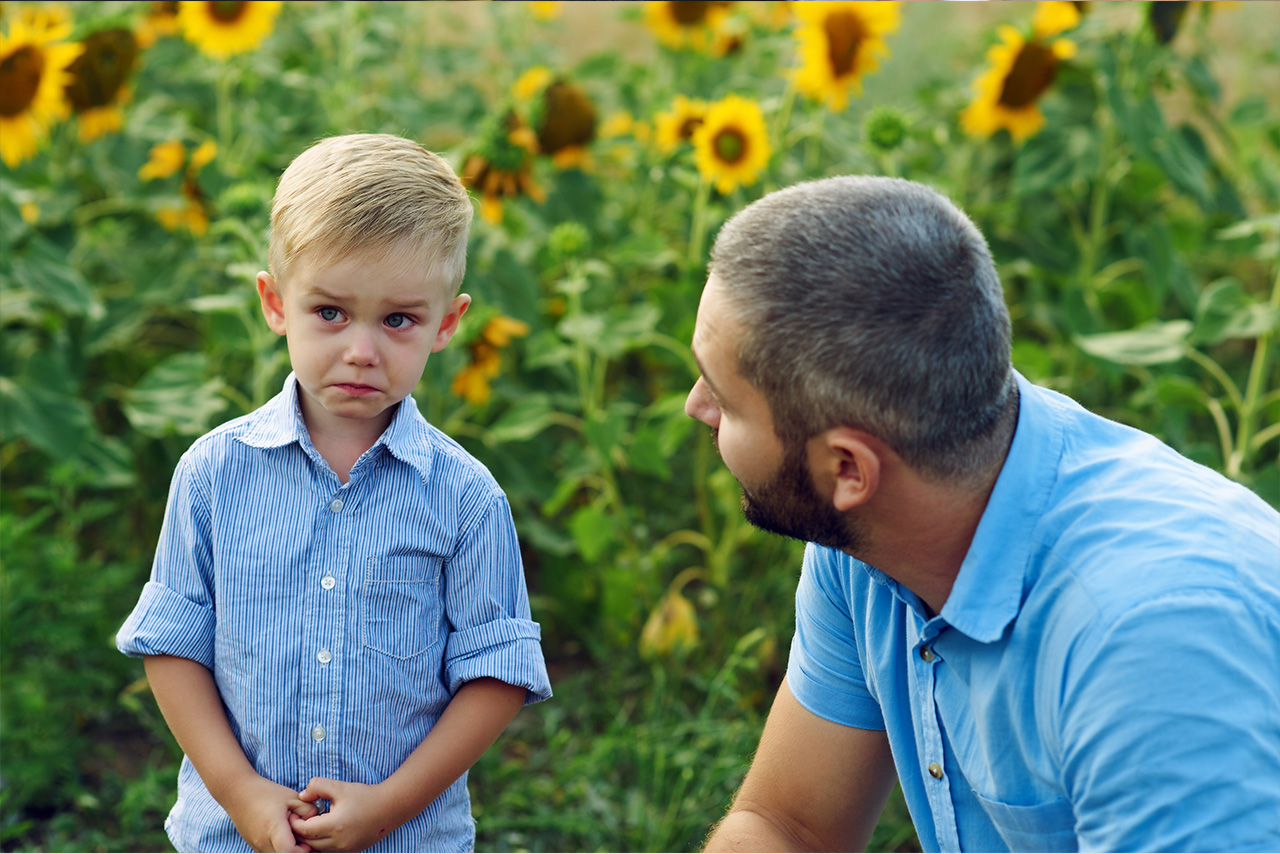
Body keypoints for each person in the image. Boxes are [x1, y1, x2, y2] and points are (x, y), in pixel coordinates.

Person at [686, 176, 1280, 853]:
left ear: (849, 468)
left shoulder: (1149, 643)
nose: (695, 406)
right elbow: (789, 827)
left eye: (725, 398)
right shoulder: (868, 542)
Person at [117, 133, 552, 854]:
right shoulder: (213, 473)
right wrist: (241, 791)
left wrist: (387, 808)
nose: (361, 349)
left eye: (398, 320)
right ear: (275, 302)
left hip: (405, 836)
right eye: (330, 313)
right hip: (234, 833)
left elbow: (496, 675)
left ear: (446, 324)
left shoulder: (466, 498)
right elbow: (172, 647)